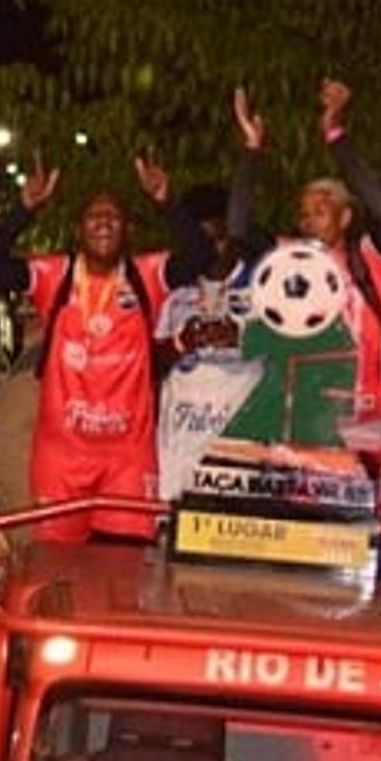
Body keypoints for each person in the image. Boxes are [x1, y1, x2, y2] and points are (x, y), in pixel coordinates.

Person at [0, 155, 170, 541]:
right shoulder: (56, 275)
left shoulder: (145, 276)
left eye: (113, 216)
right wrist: (25, 209)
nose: (103, 222)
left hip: (126, 460)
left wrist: (165, 200)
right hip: (62, 461)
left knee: (121, 577)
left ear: (127, 229)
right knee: (62, 578)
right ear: (79, 229)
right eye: (94, 216)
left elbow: (201, 256)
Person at [228, 80, 381, 444]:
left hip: (366, 421)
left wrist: (334, 134)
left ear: (345, 217)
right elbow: (238, 231)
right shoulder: (290, 260)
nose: (309, 221)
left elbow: (380, 206)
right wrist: (252, 150)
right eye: (303, 214)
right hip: (303, 421)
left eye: (321, 211)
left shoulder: (368, 260)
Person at [146, 131, 262, 500]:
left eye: (218, 240)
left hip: (241, 450)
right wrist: (184, 342)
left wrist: (241, 337)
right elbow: (151, 361)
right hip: (179, 452)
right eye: (202, 242)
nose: (212, 250)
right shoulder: (176, 293)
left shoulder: (264, 288)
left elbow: (289, 353)